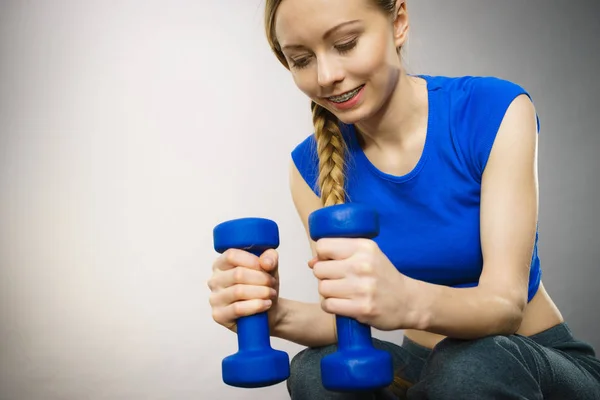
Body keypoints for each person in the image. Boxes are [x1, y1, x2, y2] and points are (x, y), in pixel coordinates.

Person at [208, 0, 600, 398]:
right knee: (316, 371)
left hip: (528, 360)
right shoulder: (310, 168)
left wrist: (407, 299)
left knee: (469, 366)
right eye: (302, 59)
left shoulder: (492, 111)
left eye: (345, 44)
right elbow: (349, 318)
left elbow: (505, 304)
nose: (327, 76)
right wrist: (269, 312)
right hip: (420, 369)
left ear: (398, 22)